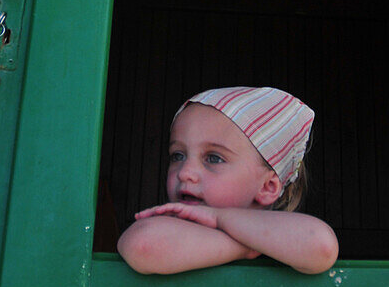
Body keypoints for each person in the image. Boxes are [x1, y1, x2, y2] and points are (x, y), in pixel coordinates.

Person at [117, 86, 339, 275]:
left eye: (213, 158)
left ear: (267, 187)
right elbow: (143, 245)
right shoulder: (171, 224)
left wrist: (217, 217)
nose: (185, 172)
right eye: (178, 155)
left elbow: (321, 246)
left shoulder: (288, 232)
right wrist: (247, 247)